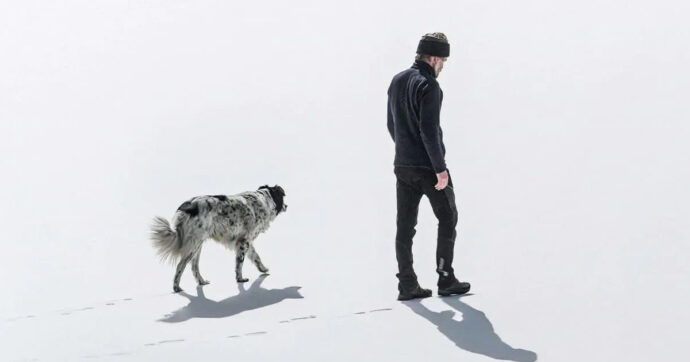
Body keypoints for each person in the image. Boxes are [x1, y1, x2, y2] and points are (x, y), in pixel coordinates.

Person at [387, 32, 471, 300]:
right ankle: (445, 278)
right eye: (443, 61)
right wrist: (440, 169)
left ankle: (407, 284)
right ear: (434, 58)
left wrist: (405, 152)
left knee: (405, 227)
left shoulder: (397, 80)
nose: (442, 66)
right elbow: (429, 131)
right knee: (448, 217)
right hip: (428, 167)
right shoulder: (430, 86)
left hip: (403, 166)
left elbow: (392, 125)